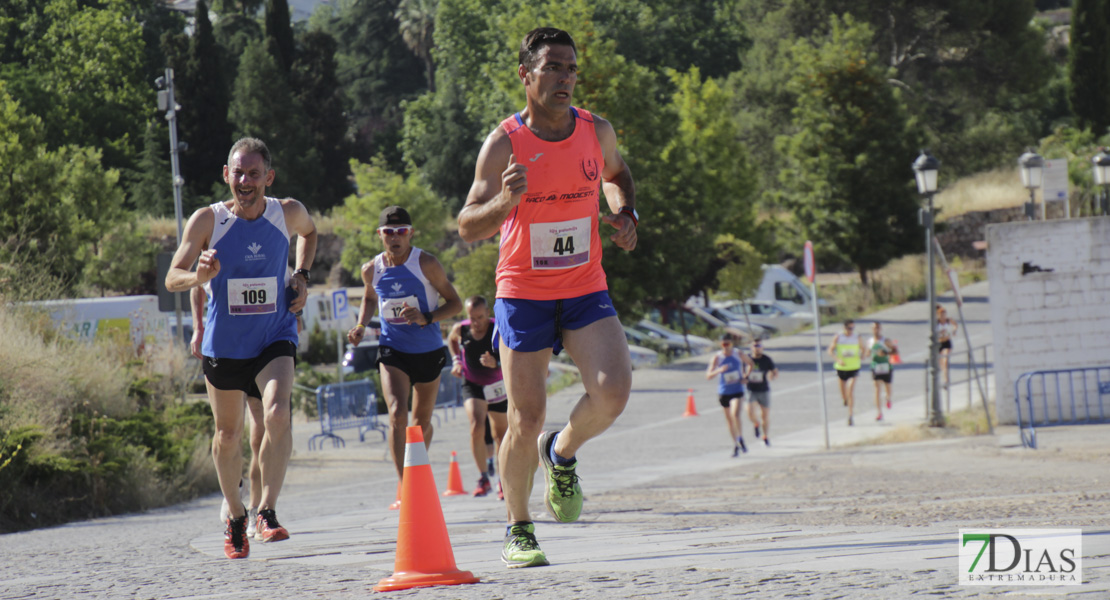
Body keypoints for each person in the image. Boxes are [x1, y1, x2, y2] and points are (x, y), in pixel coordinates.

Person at [457, 27, 638, 568]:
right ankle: (518, 527)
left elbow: (618, 175)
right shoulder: (505, 143)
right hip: (524, 293)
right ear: (526, 75)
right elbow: (468, 225)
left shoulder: (595, 130)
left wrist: (624, 213)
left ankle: (561, 454)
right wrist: (505, 203)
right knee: (524, 416)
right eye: (553, 67)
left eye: (571, 68)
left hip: (584, 285)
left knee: (613, 393)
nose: (564, 77)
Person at [165, 137, 317, 559]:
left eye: (254, 173)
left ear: (269, 176)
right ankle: (236, 514)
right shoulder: (206, 221)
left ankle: (266, 509)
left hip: (274, 335)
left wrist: (302, 276)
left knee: (277, 413)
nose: (245, 181)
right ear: (226, 175)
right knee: (228, 435)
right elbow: (172, 277)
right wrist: (198, 277)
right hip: (226, 345)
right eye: (238, 173)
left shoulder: (286, 212)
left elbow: (310, 233)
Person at [346, 206, 462, 509]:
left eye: (401, 231)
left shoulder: (426, 263)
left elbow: (455, 304)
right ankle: (407, 488)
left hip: (427, 350)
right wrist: (360, 325)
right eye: (389, 232)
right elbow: (370, 298)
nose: (395, 237)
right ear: (380, 235)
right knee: (397, 413)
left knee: (420, 422)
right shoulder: (371, 268)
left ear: (409, 233)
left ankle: (417, 466)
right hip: (392, 348)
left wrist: (427, 316)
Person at [193, 285, 264, 540]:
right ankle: (235, 492)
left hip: (263, 344)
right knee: (228, 433)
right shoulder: (213, 250)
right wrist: (198, 327)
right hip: (225, 348)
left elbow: (286, 282)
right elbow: (197, 284)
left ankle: (257, 510)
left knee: (262, 432)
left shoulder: (272, 247)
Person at [448, 295, 508, 499]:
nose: (476, 322)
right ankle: (483, 477)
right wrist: (457, 361)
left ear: (488, 314)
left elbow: (511, 354)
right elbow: (451, 340)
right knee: (476, 425)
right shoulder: (461, 329)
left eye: (480, 317)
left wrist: (496, 363)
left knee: (501, 435)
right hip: (473, 383)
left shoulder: (497, 328)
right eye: (472, 317)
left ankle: (503, 480)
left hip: (497, 384)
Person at [706, 334, 754, 457]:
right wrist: (719, 370)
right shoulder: (717, 357)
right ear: (721, 345)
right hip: (723, 391)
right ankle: (736, 444)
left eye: (728, 344)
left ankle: (740, 437)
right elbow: (708, 376)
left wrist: (746, 376)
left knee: (735, 415)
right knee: (729, 420)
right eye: (724, 345)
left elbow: (751, 364)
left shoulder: (738, 354)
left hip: (737, 389)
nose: (726, 347)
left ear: (732, 344)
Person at [828, 319, 866, 426]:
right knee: (844, 394)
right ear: (844, 328)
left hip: (854, 366)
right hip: (841, 367)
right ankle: (844, 399)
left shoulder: (857, 337)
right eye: (849, 328)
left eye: (853, 328)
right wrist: (838, 359)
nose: (851, 331)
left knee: (850, 390)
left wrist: (862, 354)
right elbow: (830, 350)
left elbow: (863, 348)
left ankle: (850, 415)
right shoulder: (838, 337)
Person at [744, 340, 778, 446]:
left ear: (762, 347)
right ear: (751, 347)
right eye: (755, 346)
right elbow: (741, 371)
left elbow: (774, 371)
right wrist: (744, 376)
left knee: (765, 415)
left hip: (763, 389)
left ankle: (765, 436)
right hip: (751, 389)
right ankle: (756, 423)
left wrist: (772, 375)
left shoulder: (766, 359)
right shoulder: (747, 359)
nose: (757, 348)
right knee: (749, 412)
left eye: (759, 346)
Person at [868, 321, 897, 420]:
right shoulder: (870, 341)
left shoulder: (886, 340)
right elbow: (868, 353)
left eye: (877, 328)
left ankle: (888, 398)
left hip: (886, 366)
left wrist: (884, 353)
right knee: (876, 387)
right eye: (874, 328)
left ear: (880, 329)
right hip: (875, 366)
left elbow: (895, 351)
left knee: (887, 387)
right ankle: (879, 412)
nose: (875, 330)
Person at [936, 304, 958, 387]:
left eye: (944, 315)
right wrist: (939, 333)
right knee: (941, 364)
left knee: (945, 361)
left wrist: (954, 331)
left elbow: (955, 325)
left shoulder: (948, 320)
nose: (943, 317)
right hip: (939, 343)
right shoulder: (936, 322)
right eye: (942, 315)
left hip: (947, 342)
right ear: (938, 316)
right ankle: (943, 378)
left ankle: (946, 381)